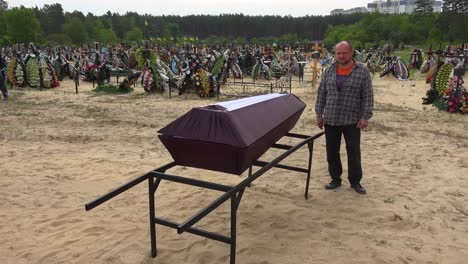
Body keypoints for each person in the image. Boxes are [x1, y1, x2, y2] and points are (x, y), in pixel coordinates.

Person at [315, 41, 374, 194]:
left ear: (351, 52)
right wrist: (318, 114)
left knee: (353, 151)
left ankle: (355, 181)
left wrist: (365, 116)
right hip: (331, 118)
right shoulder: (329, 71)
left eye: (344, 53)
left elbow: (367, 95)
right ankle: (335, 178)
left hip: (352, 119)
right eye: (338, 53)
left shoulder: (362, 71)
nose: (341, 56)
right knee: (332, 152)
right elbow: (322, 93)